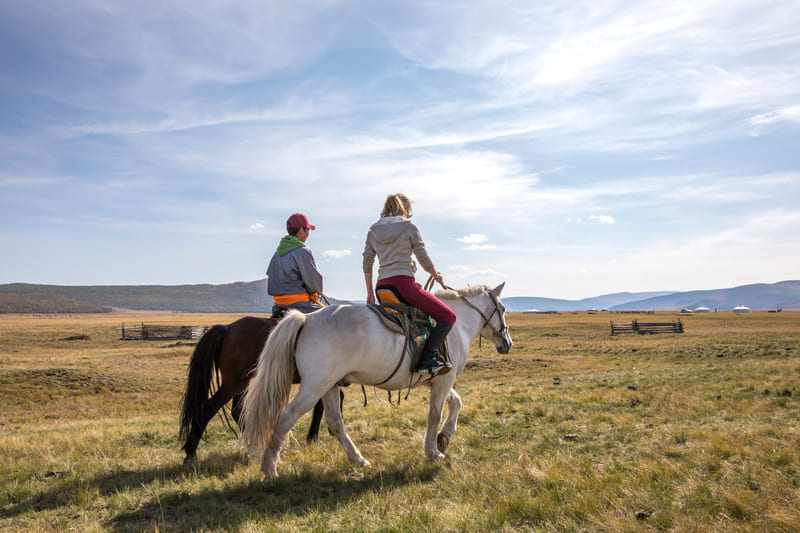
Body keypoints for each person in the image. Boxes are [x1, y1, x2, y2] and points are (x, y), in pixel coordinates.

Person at [363, 193, 455, 376]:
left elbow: (367, 262)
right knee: (448, 316)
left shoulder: (373, 231)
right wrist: (436, 275)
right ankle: (427, 358)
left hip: (382, 288)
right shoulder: (409, 227)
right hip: (403, 285)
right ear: (405, 209)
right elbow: (423, 258)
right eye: (409, 211)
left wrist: (370, 293)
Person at [266, 213, 324, 319]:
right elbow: (314, 282)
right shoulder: (302, 251)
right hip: (300, 306)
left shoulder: (277, 253)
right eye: (307, 230)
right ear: (301, 230)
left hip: (279, 306)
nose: (308, 234)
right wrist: (316, 291)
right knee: (333, 319)